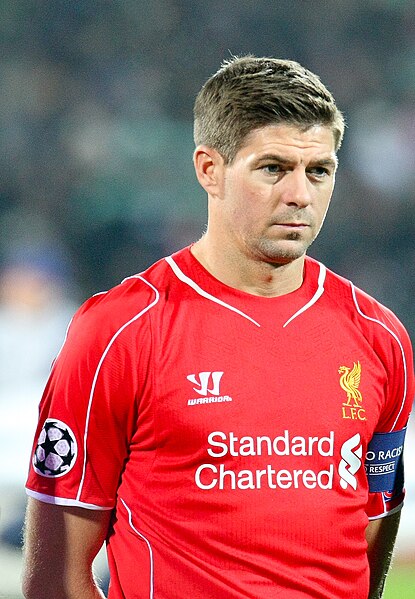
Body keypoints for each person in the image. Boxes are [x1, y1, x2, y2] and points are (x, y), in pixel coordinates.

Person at [22, 56, 414, 599]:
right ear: (209, 169)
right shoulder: (120, 330)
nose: (300, 195)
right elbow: (53, 577)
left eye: (319, 171)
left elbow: (373, 528)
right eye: (273, 168)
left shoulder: (379, 337)